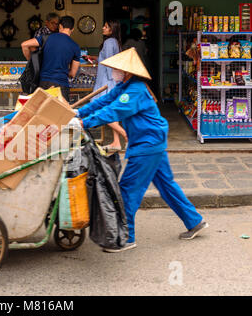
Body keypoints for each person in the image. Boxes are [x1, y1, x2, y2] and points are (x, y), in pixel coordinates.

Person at [76, 48, 209, 253]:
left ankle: (127, 237)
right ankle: (194, 221)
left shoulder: (135, 90)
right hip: (152, 142)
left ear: (127, 72)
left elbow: (115, 111)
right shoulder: (124, 87)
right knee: (167, 185)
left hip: (147, 145)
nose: (114, 72)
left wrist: (85, 123)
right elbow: (104, 101)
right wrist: (78, 112)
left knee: (129, 188)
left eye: (116, 69)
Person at [83, 21, 127, 152]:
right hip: (112, 80)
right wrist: (93, 58)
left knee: (100, 110)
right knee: (111, 111)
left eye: (106, 26)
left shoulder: (108, 42)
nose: (103, 28)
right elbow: (107, 59)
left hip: (106, 81)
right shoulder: (115, 42)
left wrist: (109, 83)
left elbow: (108, 62)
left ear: (112, 29)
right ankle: (116, 141)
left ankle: (125, 135)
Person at [21, 16, 80, 102]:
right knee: (60, 114)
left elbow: (24, 45)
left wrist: (33, 62)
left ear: (60, 26)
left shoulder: (47, 38)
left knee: (43, 113)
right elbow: (72, 74)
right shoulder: (75, 46)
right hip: (62, 86)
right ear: (73, 29)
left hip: (44, 84)